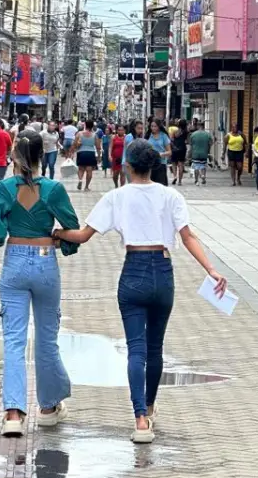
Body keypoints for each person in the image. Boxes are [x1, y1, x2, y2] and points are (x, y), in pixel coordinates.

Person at [55, 140, 227, 444]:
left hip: (133, 270)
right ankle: (149, 406)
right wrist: (210, 270)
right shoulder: (171, 195)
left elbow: (82, 236)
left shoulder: (116, 197)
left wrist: (55, 233)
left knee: (136, 349)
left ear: (128, 166)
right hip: (163, 271)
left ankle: (140, 421)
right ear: (153, 166)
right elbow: (188, 237)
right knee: (155, 347)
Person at [0, 129, 79, 436]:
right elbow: (72, 229)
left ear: (13, 157)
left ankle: (13, 413)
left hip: (15, 262)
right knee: (47, 339)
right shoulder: (54, 190)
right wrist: (61, 240)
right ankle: (48, 407)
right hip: (46, 259)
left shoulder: (4, 189)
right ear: (41, 156)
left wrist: (3, 233)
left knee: (14, 340)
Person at [74, 120, 100, 192]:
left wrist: (72, 151)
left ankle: (80, 180)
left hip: (81, 153)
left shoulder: (79, 133)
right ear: (92, 126)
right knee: (89, 171)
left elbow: (75, 144)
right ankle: (86, 187)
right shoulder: (94, 135)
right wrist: (99, 157)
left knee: (81, 169)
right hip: (91, 153)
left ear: (85, 125)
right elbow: (98, 146)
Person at [189, 118, 212, 185]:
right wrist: (208, 151)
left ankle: (196, 180)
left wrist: (190, 154)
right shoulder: (207, 134)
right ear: (203, 126)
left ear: (198, 126)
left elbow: (191, 145)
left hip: (195, 153)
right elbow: (211, 143)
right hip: (204, 153)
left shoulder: (193, 134)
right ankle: (203, 176)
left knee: (196, 167)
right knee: (203, 166)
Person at [170, 119, 189, 185]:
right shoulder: (186, 131)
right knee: (181, 164)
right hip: (183, 148)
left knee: (174, 163)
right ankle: (180, 181)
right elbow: (187, 141)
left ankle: (175, 176)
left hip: (175, 148)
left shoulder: (175, 131)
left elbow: (171, 140)